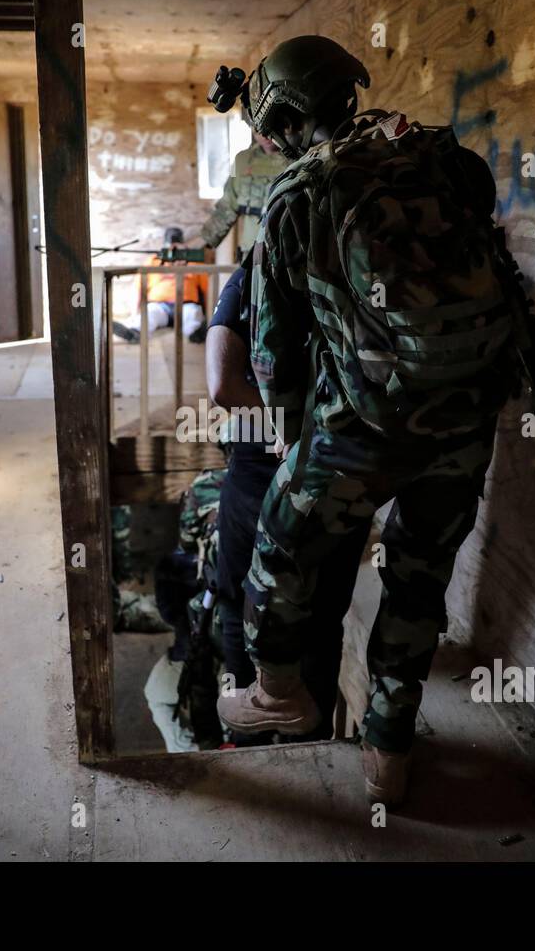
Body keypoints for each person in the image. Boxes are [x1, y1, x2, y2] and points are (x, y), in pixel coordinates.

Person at [215, 35, 521, 807]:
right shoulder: (444, 158)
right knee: (419, 582)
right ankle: (388, 751)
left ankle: (280, 695)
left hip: (360, 425)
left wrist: (291, 441)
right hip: (467, 415)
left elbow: (274, 356)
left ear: (286, 115)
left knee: (276, 553)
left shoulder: (297, 193)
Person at [205, 264, 364, 746]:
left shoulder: (258, 267)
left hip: (262, 474)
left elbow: (223, 386)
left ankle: (246, 741)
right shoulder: (364, 269)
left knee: (242, 605)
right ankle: (308, 751)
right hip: (341, 475)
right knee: (322, 618)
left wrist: (287, 423)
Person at [197, 126, 289, 263]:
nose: (264, 135)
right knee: (232, 285)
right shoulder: (241, 160)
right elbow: (227, 208)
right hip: (251, 254)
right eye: (258, 129)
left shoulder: (298, 160)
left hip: (287, 255)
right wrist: (193, 245)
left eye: (269, 127)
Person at [112, 227, 208, 344]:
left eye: (177, 246)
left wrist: (210, 314)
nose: (174, 250)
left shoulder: (193, 262)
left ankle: (196, 334)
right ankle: (134, 333)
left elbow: (207, 291)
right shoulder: (153, 261)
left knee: (192, 315)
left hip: (186, 305)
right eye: (170, 247)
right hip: (160, 306)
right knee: (150, 314)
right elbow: (139, 287)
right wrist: (135, 313)